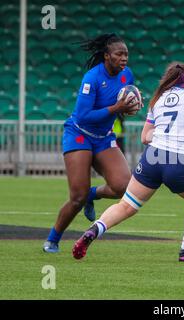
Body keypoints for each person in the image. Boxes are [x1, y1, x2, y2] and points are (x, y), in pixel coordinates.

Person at [72, 62, 184, 262]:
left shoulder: (157, 100)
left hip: (152, 157)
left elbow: (145, 137)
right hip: (179, 159)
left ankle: (94, 230)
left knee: (127, 205)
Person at [43, 33, 141, 253]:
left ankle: (92, 194)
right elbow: (84, 115)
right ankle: (52, 239)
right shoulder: (92, 78)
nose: (124, 58)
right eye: (119, 54)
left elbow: (124, 102)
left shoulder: (127, 75)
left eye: (126, 54)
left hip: (103, 137)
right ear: (107, 56)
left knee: (123, 187)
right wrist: (117, 109)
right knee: (76, 197)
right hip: (79, 133)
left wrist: (131, 107)